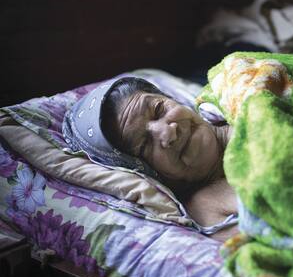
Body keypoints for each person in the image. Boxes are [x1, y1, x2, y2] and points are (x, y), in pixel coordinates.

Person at [62, 76, 238, 241]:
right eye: (144, 144)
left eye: (159, 109)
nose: (168, 132)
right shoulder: (206, 208)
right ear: (147, 172)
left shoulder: (240, 97)